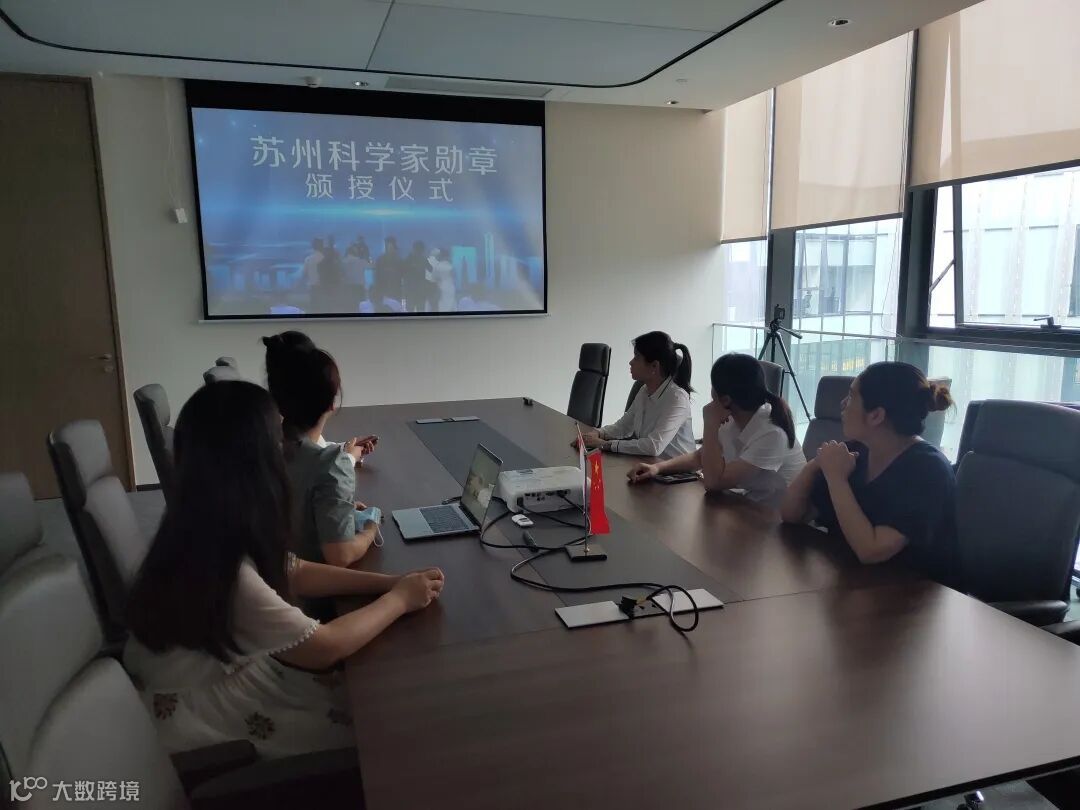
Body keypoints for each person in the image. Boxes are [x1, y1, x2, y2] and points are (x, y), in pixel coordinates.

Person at [124, 381, 444, 758]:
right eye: (279, 442)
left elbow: (295, 569)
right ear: (254, 464)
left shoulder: (204, 519)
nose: (289, 450)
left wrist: (389, 583)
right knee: (385, 729)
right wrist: (399, 600)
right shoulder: (226, 571)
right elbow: (325, 647)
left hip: (220, 671)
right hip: (204, 715)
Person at [780, 361, 958, 586]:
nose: (842, 404)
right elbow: (792, 514)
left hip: (912, 595)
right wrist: (814, 465)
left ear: (876, 415)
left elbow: (871, 550)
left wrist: (836, 478)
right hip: (854, 582)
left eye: (851, 397)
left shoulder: (927, 469)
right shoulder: (856, 452)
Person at [628, 353, 805, 507]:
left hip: (779, 521)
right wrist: (657, 468)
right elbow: (700, 456)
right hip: (749, 507)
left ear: (726, 399)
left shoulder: (771, 433)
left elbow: (714, 482)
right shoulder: (736, 417)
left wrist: (710, 423)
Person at [263, 332, 378, 568]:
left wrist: (335, 509)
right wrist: (370, 528)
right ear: (331, 403)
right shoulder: (331, 465)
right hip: (307, 582)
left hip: (269, 569)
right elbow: (340, 555)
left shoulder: (263, 444)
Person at [575, 331, 696, 460]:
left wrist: (603, 444)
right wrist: (598, 433)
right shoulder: (644, 390)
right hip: (651, 464)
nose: (631, 362)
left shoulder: (677, 398)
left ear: (654, 366)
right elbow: (623, 426)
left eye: (636, 357)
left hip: (678, 470)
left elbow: (653, 446)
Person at [372, 236, 403, 311]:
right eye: (388, 246)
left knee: (395, 308)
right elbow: (376, 275)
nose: (389, 247)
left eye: (391, 246)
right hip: (384, 290)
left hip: (394, 289)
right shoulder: (381, 259)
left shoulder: (398, 259)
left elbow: (401, 273)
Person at [428, 248, 457, 312]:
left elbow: (433, 279)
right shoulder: (451, 267)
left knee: (441, 304)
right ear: (448, 256)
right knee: (451, 304)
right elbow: (454, 278)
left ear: (441, 256)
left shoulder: (437, 267)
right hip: (451, 287)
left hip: (440, 287)